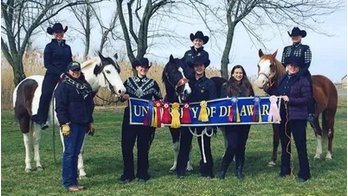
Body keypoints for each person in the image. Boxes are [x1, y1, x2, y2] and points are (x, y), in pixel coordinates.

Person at [119, 57, 162, 183]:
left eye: (146, 67)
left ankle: (142, 173)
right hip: (130, 118)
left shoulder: (153, 83)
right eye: (141, 67)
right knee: (127, 146)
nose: (143, 69)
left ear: (148, 69)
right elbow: (120, 97)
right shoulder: (128, 82)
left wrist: (156, 105)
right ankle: (128, 174)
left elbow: (159, 99)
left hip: (146, 119)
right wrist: (123, 97)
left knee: (143, 146)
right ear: (137, 68)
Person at [268, 57, 311, 182]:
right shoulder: (282, 80)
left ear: (298, 68)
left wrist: (291, 100)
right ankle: (285, 169)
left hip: (297, 117)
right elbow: (277, 94)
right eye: (290, 65)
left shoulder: (303, 81)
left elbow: (307, 99)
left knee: (300, 145)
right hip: (283, 116)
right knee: (285, 144)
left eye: (295, 66)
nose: (292, 68)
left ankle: (304, 173)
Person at [54, 61, 95, 192]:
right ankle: (68, 182)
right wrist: (64, 123)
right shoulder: (63, 86)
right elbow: (60, 107)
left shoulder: (84, 86)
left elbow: (88, 105)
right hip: (71, 124)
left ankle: (74, 181)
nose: (75, 72)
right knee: (69, 153)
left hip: (82, 123)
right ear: (68, 71)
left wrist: (90, 121)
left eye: (77, 70)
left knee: (76, 153)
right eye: (73, 70)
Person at [176, 54, 217, 179]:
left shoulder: (209, 83)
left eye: (201, 66)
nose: (199, 68)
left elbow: (213, 100)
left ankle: (207, 170)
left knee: (205, 144)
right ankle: (181, 169)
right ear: (193, 68)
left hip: (203, 119)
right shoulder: (188, 82)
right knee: (185, 143)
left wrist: (211, 121)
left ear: (204, 67)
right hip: (188, 118)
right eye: (196, 66)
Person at [32, 22, 73, 130]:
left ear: (63, 33)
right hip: (52, 74)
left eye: (61, 32)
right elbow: (47, 64)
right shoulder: (49, 47)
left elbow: (70, 62)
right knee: (46, 93)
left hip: (67, 74)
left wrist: (71, 71)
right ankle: (41, 118)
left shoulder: (67, 48)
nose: (59, 34)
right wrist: (59, 73)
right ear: (53, 34)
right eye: (57, 32)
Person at [216, 65, 255, 180]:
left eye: (241, 73)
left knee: (241, 146)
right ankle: (223, 169)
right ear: (232, 74)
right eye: (236, 73)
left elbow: (253, 100)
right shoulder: (226, 86)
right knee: (232, 145)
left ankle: (239, 170)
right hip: (231, 122)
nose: (239, 75)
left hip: (244, 122)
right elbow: (221, 102)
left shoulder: (248, 86)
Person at [281, 27, 315, 123]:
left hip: (302, 73)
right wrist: (287, 71)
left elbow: (307, 63)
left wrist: (299, 74)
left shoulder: (305, 48)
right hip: (288, 71)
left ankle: (310, 112)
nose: (295, 37)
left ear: (300, 37)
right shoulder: (286, 49)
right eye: (293, 36)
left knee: (308, 87)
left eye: (296, 36)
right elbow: (283, 62)